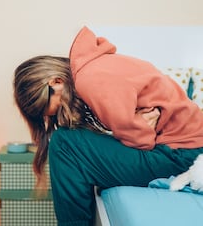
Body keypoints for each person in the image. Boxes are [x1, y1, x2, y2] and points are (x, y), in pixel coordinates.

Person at [13, 26, 203, 226]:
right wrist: (135, 124)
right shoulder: (97, 67)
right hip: (182, 149)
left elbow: (141, 141)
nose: (52, 115)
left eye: (47, 107)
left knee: (63, 143)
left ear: (56, 82)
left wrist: (139, 127)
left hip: (181, 156)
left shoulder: (91, 81)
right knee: (70, 141)